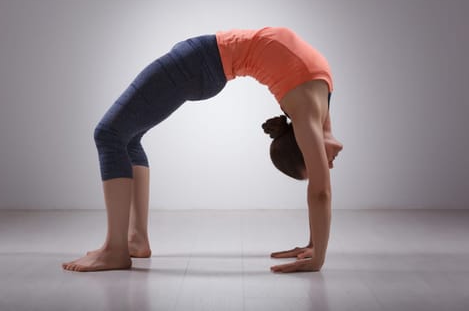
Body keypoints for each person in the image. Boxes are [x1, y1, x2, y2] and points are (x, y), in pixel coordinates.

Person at [62, 27, 343, 273]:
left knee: (109, 134)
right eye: (319, 161)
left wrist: (317, 251)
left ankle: (116, 249)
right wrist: (315, 249)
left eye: (316, 161)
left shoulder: (312, 101)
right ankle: (134, 240)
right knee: (124, 138)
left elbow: (321, 191)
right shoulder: (314, 108)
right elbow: (321, 190)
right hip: (199, 62)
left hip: (199, 63)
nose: (326, 164)